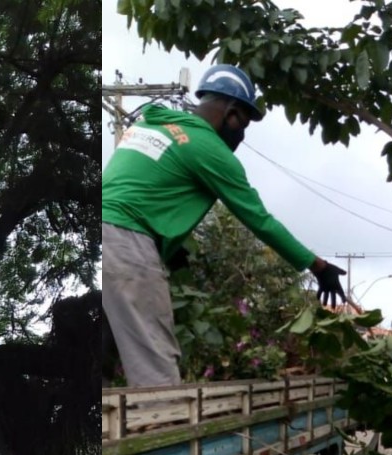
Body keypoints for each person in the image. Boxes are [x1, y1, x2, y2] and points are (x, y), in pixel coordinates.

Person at [101, 64, 346, 387]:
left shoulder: (153, 125)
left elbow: (140, 187)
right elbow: (260, 221)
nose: (241, 134)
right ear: (231, 112)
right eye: (243, 123)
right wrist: (318, 267)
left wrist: (168, 249)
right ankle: (161, 433)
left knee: (103, 348)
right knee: (155, 363)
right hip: (127, 244)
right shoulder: (207, 148)